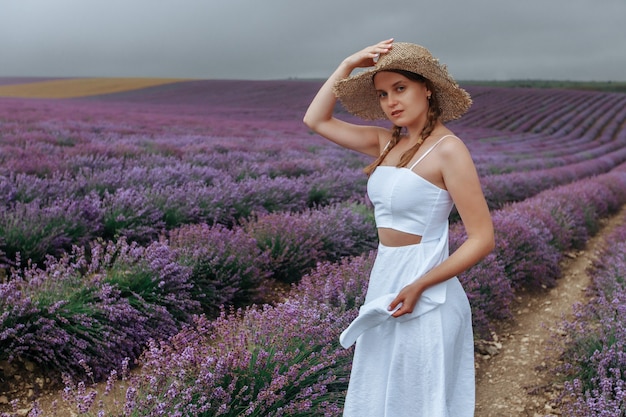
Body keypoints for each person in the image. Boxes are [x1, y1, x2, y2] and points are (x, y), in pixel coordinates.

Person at [303, 39, 494, 416]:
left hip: (427, 288)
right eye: (383, 94)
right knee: (378, 389)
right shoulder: (384, 143)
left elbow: (483, 238)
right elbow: (316, 120)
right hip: (386, 277)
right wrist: (348, 63)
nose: (391, 101)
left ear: (427, 88)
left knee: (419, 396)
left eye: (400, 88)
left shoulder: (449, 151)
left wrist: (421, 284)